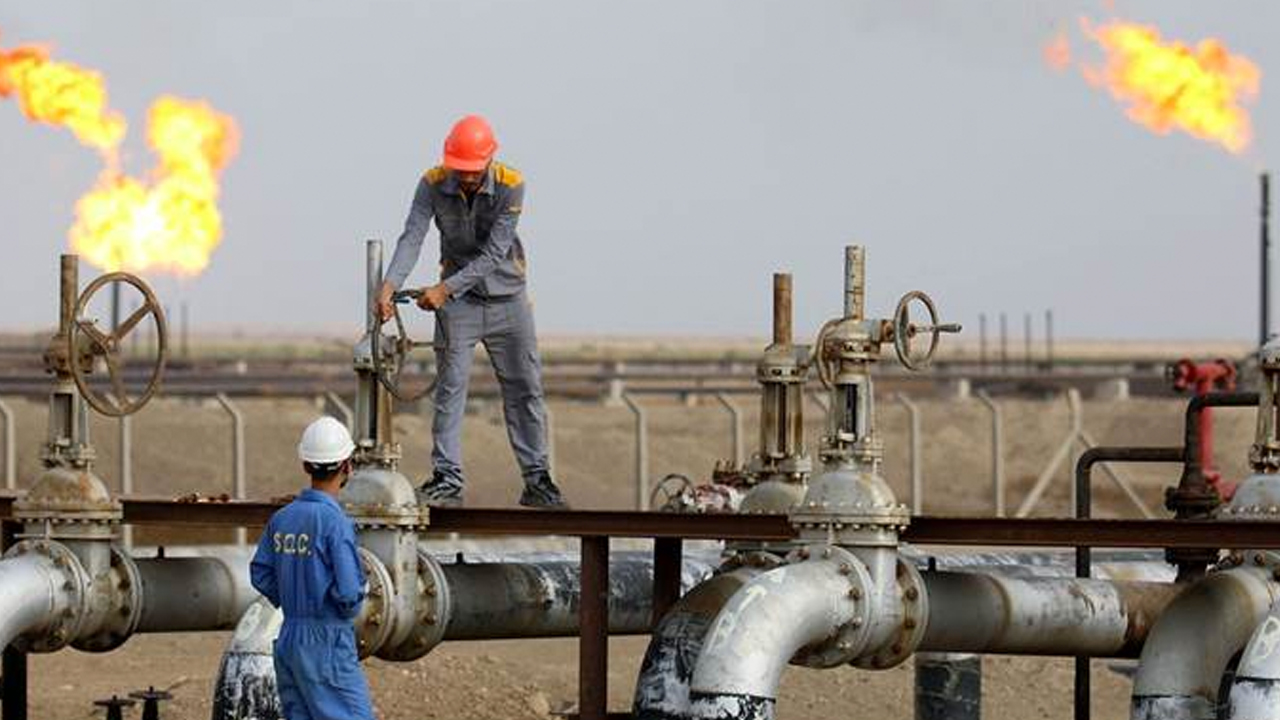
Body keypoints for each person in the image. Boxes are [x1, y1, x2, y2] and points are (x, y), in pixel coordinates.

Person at [377, 113, 567, 509]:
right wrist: (390, 284)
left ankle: (537, 480)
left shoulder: (512, 185)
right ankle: (447, 479)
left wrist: (444, 290)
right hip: (460, 305)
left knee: (524, 390)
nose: (465, 178)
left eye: (472, 171)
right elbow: (412, 235)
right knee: (450, 390)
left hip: (507, 301)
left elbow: (494, 253)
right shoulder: (431, 182)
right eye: (458, 170)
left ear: (489, 162)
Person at [250, 416, 373, 720]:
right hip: (327, 641)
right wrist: (333, 606)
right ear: (347, 466)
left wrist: (295, 596)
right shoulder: (335, 523)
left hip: (290, 638)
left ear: (306, 465)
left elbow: (260, 573)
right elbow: (347, 594)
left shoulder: (282, 518)